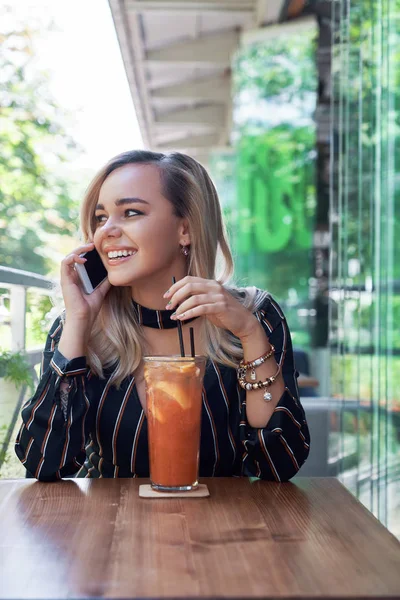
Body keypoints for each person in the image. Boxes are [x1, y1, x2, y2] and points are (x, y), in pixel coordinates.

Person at [15, 150, 310, 481]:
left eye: (130, 212)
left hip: (224, 524)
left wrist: (250, 334)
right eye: (101, 218)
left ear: (185, 228)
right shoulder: (80, 324)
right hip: (110, 525)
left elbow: (280, 464)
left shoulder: (255, 315)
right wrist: (78, 324)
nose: (106, 231)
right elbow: (43, 464)